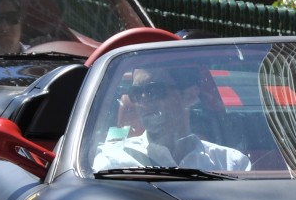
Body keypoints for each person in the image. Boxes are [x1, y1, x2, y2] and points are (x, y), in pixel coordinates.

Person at [93, 65, 252, 172]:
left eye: (153, 90)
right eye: (135, 93)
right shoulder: (113, 163)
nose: (143, 102)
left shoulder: (230, 164)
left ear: (189, 96)